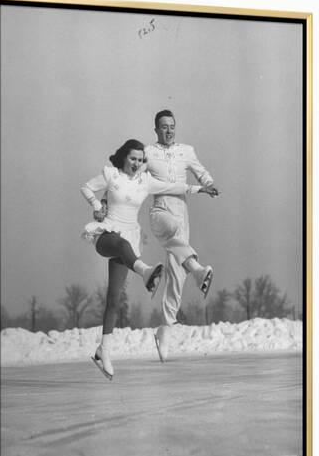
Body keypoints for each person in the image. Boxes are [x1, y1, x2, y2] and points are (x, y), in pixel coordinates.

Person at [81, 139, 216, 379]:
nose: (137, 163)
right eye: (133, 158)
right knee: (121, 244)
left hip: (130, 241)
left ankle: (104, 351)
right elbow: (87, 187)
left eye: (141, 160)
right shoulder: (111, 175)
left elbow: (173, 186)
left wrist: (199, 188)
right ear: (124, 157)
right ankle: (145, 272)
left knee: (113, 299)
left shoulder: (145, 181)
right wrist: (96, 205)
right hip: (107, 235)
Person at [144, 110, 219, 362]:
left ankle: (165, 329)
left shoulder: (186, 150)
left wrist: (209, 183)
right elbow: (129, 174)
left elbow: (201, 171)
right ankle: (197, 270)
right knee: (173, 234)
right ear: (156, 129)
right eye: (164, 127)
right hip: (160, 209)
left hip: (181, 209)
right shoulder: (148, 152)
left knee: (176, 274)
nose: (169, 130)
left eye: (172, 126)